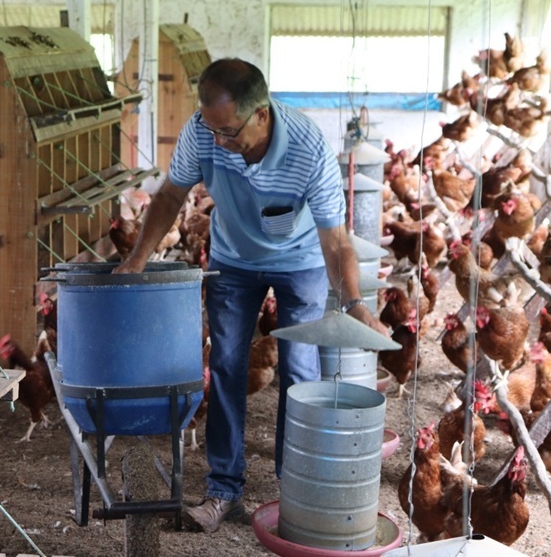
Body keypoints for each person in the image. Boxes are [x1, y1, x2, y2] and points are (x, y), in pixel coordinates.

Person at [112, 58, 388, 533]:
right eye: (212, 129)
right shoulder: (203, 130)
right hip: (233, 259)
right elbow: (172, 194)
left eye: (229, 131)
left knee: (299, 372)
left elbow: (337, 241)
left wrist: (354, 304)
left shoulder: (308, 148)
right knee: (225, 365)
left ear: (261, 114)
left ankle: (296, 489)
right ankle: (223, 490)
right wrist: (137, 258)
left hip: (300, 260)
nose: (219, 141)